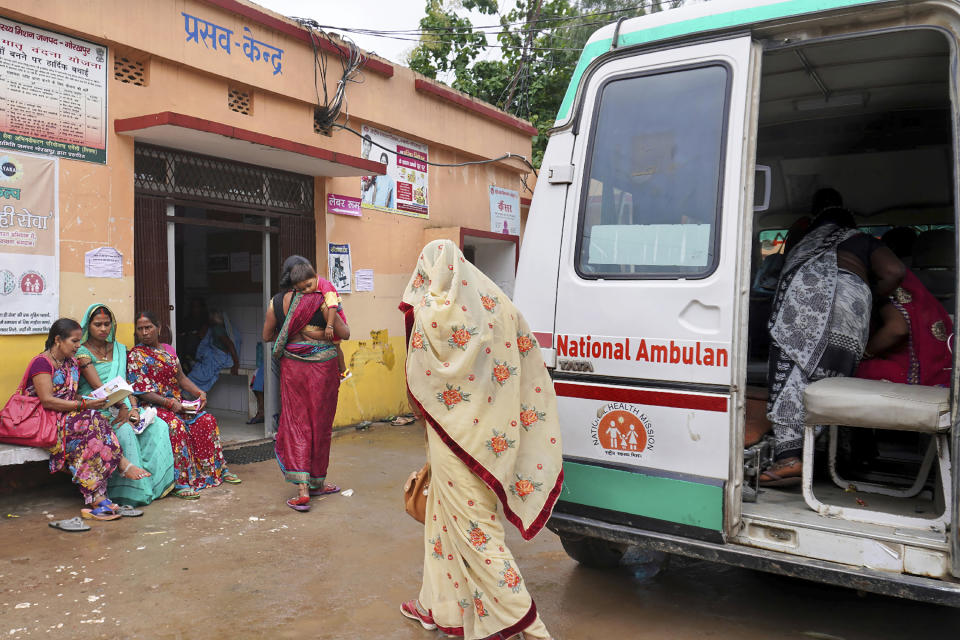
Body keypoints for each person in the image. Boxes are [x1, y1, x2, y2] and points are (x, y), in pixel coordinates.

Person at [399, 239, 562, 640]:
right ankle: (435, 605)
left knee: (475, 531)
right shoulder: (499, 307)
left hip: (452, 438)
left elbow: (417, 388)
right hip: (494, 438)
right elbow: (527, 365)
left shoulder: (430, 318)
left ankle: (526, 622)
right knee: (440, 519)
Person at [761, 190, 905, 486]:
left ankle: (789, 458)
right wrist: (870, 297)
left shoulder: (804, 244)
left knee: (789, 375)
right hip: (851, 311)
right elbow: (894, 271)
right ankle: (824, 454)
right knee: (829, 384)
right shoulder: (860, 240)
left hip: (804, 306)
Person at [262, 255, 349, 512]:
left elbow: (267, 335)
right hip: (323, 368)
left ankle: (302, 491)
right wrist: (317, 333)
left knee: (296, 422)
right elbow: (344, 333)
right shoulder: (323, 297)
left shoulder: (276, 302)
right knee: (320, 423)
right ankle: (317, 483)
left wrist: (294, 333)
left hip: (292, 368)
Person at [127, 310, 240, 498]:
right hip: (154, 407)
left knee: (207, 420)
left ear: (159, 328)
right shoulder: (136, 356)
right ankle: (182, 482)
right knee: (176, 426)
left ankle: (215, 471)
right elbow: (141, 391)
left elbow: (180, 377)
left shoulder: (167, 351)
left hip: (177, 403)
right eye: (140, 329)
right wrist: (169, 403)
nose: (145, 332)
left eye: (148, 327)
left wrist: (198, 392)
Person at [77, 304, 176, 506]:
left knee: (159, 426)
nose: (103, 329)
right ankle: (131, 492)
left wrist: (132, 408)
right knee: (125, 430)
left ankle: (154, 485)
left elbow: (126, 384)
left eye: (107, 324)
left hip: (123, 402)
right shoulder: (82, 351)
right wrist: (122, 407)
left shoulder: (121, 350)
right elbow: (98, 386)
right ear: (89, 326)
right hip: (98, 406)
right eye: (98, 325)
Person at [24, 318, 122, 520]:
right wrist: (84, 405)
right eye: (74, 341)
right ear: (58, 340)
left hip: (66, 416)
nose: (78, 346)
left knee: (96, 421)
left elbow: (69, 396)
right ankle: (98, 495)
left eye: (79, 341)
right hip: (45, 420)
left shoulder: (71, 363)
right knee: (89, 427)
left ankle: (98, 495)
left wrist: (92, 400)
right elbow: (48, 401)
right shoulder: (41, 362)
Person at [856, 267, 953, 386]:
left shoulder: (886, 286)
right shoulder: (914, 288)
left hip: (910, 368)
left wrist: (863, 354)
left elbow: (897, 329)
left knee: (858, 370)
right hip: (938, 365)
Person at [186, 309, 240, 393]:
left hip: (219, 358)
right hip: (216, 357)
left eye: (209, 318)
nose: (208, 320)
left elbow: (230, 345)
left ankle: (189, 391)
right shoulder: (216, 328)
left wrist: (236, 364)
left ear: (213, 319)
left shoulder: (217, 329)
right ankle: (191, 391)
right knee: (199, 367)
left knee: (198, 374)